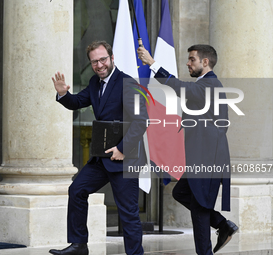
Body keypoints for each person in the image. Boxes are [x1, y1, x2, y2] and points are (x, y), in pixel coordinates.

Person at [137, 44, 238, 255]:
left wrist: (153, 64)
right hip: (201, 159)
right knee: (180, 192)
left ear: (205, 62)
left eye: (192, 59)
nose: (188, 63)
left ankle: (210, 245)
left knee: (199, 212)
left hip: (206, 161)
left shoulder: (210, 84)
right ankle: (221, 224)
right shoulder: (206, 86)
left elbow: (181, 87)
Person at [50, 41, 148, 255]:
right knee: (77, 190)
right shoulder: (95, 83)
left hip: (124, 159)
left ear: (112, 58)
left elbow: (141, 121)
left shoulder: (128, 83)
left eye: (103, 59)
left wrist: (122, 148)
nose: (99, 65)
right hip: (101, 158)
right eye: (94, 61)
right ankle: (79, 245)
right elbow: (76, 102)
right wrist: (63, 94)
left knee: (128, 213)